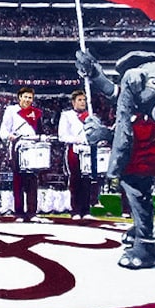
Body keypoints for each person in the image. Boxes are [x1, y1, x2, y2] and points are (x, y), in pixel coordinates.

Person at [77, 49, 155, 269]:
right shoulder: (150, 95)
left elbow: (126, 135)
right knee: (139, 191)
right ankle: (140, 228)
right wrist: (96, 75)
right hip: (149, 148)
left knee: (137, 191)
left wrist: (103, 136)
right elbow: (115, 94)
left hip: (140, 152)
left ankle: (147, 245)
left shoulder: (135, 83)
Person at [0, 86, 49, 223]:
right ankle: (19, 213)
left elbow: (40, 130)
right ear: (19, 97)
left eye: (30, 98)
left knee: (32, 181)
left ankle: (32, 212)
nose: (27, 100)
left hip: (32, 147)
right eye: (25, 97)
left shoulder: (36, 113)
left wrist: (42, 137)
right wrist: (9, 136)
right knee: (18, 181)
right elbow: (3, 130)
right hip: (18, 146)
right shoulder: (11, 111)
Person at [57, 90, 94, 220]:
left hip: (88, 150)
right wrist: (75, 140)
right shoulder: (67, 115)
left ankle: (86, 210)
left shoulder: (90, 116)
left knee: (87, 180)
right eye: (79, 100)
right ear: (73, 102)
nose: (82, 102)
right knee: (75, 179)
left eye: (84, 100)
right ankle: (75, 210)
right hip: (74, 149)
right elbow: (62, 135)